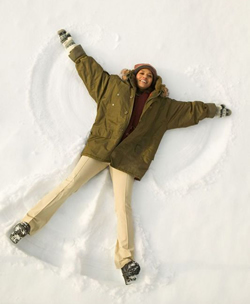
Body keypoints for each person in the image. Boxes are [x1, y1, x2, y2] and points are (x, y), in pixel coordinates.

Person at [9, 29, 232, 285]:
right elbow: (89, 71)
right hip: (100, 148)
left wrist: (215, 110)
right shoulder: (112, 87)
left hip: (129, 159)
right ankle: (28, 223)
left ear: (154, 80)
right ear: (135, 74)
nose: (145, 77)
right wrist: (73, 49)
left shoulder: (163, 107)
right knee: (69, 185)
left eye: (149, 75)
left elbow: (192, 111)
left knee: (122, 206)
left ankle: (126, 261)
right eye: (142, 72)